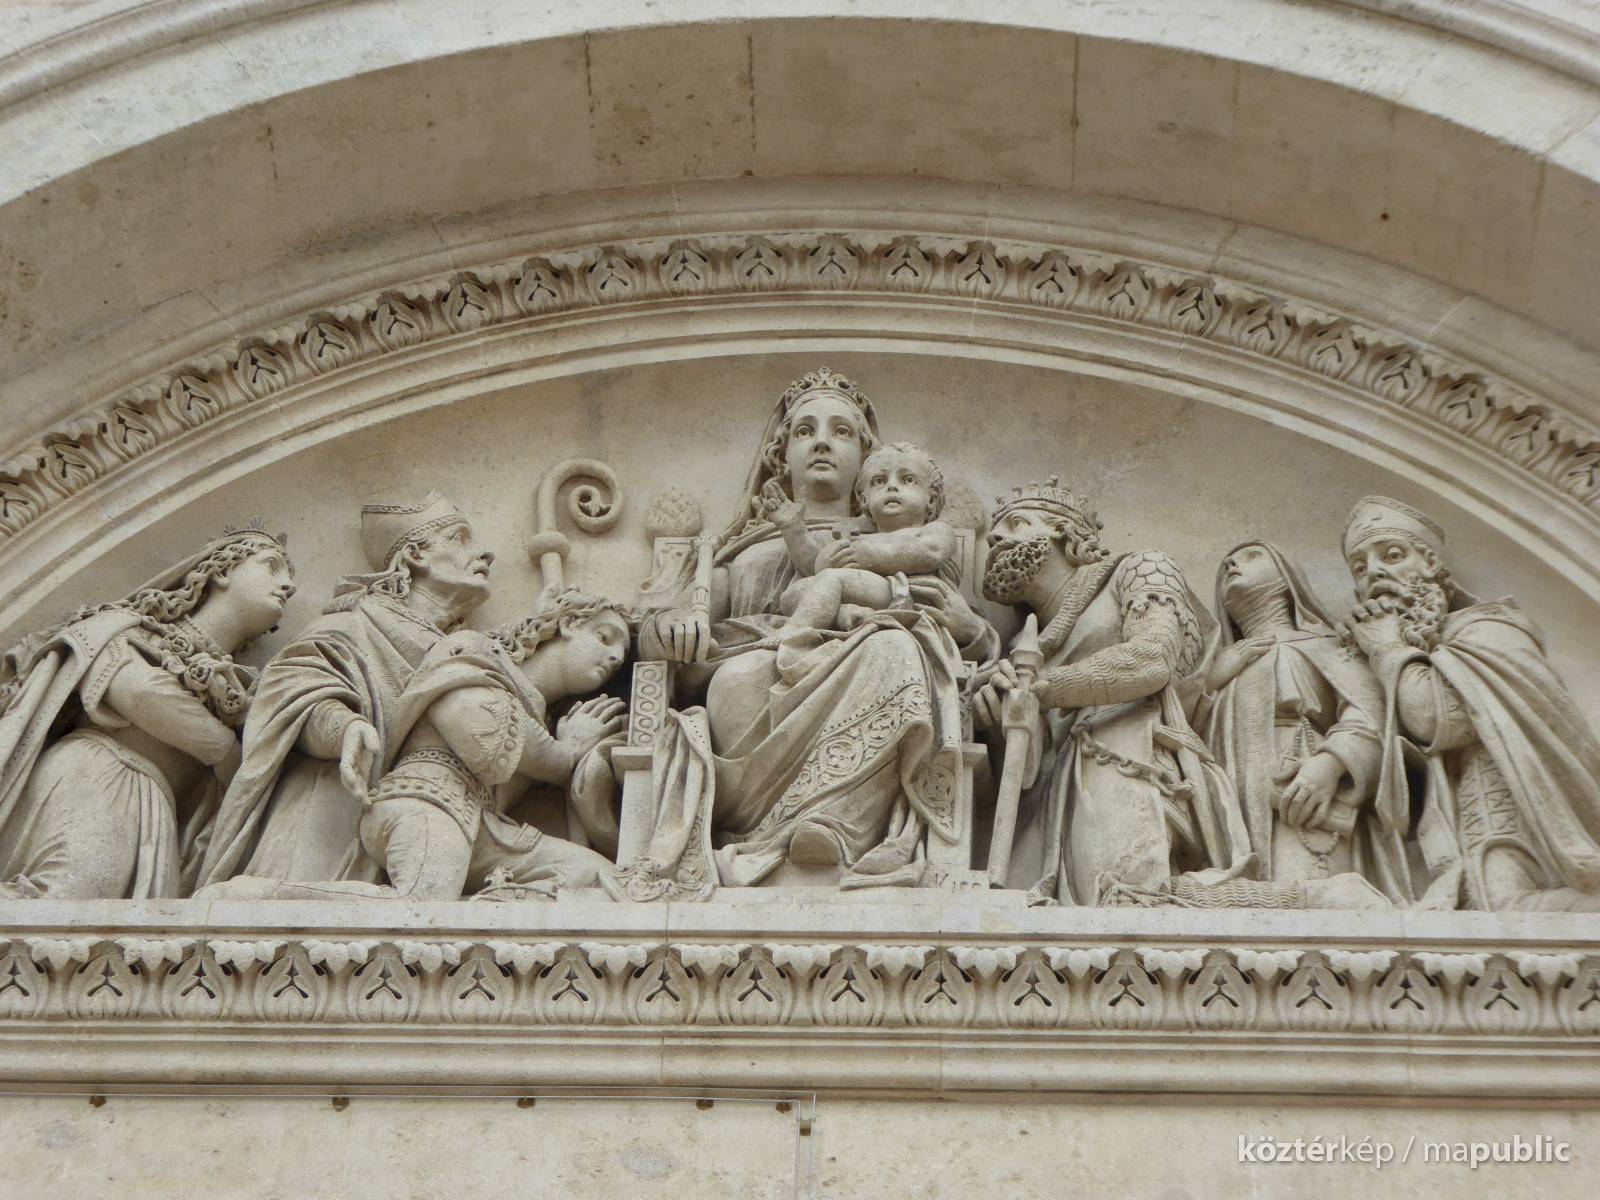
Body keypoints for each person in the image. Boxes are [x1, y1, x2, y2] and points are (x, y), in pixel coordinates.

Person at [627, 368, 998, 893]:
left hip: (867, 656)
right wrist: (668, 628)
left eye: (841, 431)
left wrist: (973, 630)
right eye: (805, 431)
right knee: (740, 678)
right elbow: (659, 631)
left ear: (865, 459)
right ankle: (775, 826)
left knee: (895, 646)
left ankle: (833, 828)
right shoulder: (741, 549)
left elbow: (975, 638)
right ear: (781, 455)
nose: (822, 442)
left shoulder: (901, 542)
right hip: (757, 670)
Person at [974, 480, 1253, 907]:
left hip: (1127, 755)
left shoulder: (1141, 569)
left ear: (1063, 531)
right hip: (1056, 800)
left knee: (1129, 903)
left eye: (1016, 523)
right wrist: (1002, 716)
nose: (994, 538)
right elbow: (1029, 767)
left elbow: (1153, 657)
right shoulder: (1024, 647)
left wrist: (1042, 689)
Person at [197, 493, 494, 888]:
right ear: (415, 555)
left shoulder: (462, 649)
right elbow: (289, 689)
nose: (485, 554)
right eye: (460, 538)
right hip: (331, 817)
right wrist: (344, 726)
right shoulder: (353, 624)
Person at [0, 525, 295, 898]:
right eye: (271, 565)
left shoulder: (241, 688)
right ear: (221, 571)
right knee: (62, 899)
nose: (288, 586)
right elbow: (139, 692)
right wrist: (224, 749)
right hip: (98, 774)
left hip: (154, 809)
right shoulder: (126, 628)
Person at [1342, 495, 1600, 910]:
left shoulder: (1487, 630)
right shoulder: (1401, 653)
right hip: (1454, 809)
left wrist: (1387, 648)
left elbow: (1433, 717)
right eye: (1359, 567)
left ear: (1430, 564)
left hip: (1509, 790)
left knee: (1504, 905)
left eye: (1392, 555)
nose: (1374, 572)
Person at [1199, 541, 1405, 905]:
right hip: (1227, 795)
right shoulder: (1218, 668)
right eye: (1227, 562)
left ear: (1286, 578)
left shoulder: (1327, 644)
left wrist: (1329, 765)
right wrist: (1210, 680)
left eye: (1252, 556)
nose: (1232, 564)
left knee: (1312, 900)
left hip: (1299, 786)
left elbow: (1370, 711)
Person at [770, 441, 960, 642]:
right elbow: (816, 570)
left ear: (931, 497)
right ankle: (849, 614)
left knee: (833, 580)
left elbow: (932, 552)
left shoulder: (935, 530)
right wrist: (793, 530)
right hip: (867, 592)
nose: (891, 486)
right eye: (879, 481)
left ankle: (795, 632)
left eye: (908, 480)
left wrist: (870, 556)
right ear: (864, 499)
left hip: (907, 593)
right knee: (792, 594)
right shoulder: (860, 538)